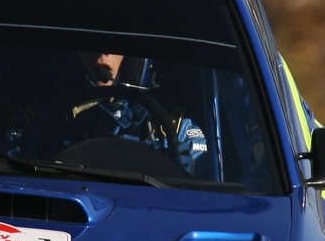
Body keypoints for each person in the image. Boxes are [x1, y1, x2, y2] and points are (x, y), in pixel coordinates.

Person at [30, 49, 208, 173]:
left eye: (113, 47)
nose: (101, 55)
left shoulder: (174, 127)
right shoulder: (41, 118)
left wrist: (180, 173)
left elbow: (203, 198)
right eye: (89, 44)